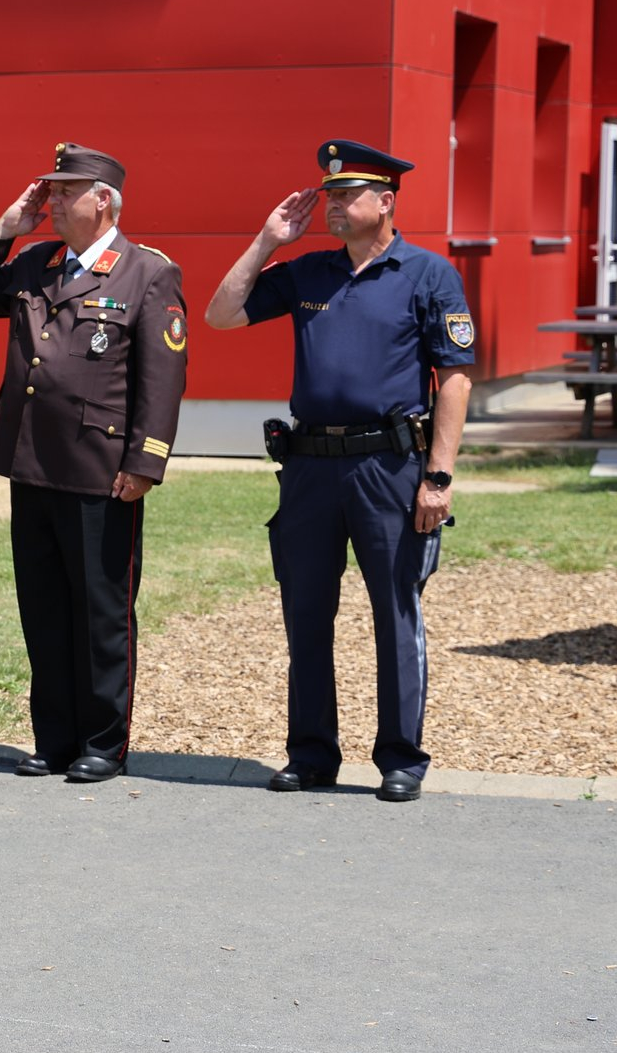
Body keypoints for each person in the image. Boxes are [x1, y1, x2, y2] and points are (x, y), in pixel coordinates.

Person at [203, 140, 475, 804]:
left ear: (385, 202)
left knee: (396, 612)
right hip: (309, 469)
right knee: (305, 613)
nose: (331, 206)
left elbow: (456, 378)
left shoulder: (428, 274)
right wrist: (267, 242)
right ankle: (311, 754)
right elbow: (220, 315)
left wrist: (437, 477)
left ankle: (401, 758)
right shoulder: (308, 272)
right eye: (328, 195)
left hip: (389, 467)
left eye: (347, 195)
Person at [0, 143, 188, 784]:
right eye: (50, 190)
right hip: (31, 460)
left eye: (65, 191)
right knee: (44, 608)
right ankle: (53, 739)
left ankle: (103, 743)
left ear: (103, 200)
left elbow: (162, 379)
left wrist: (145, 461)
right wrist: (5, 230)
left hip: (100, 468)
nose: (51, 200)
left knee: (102, 612)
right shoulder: (37, 263)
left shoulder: (146, 273)